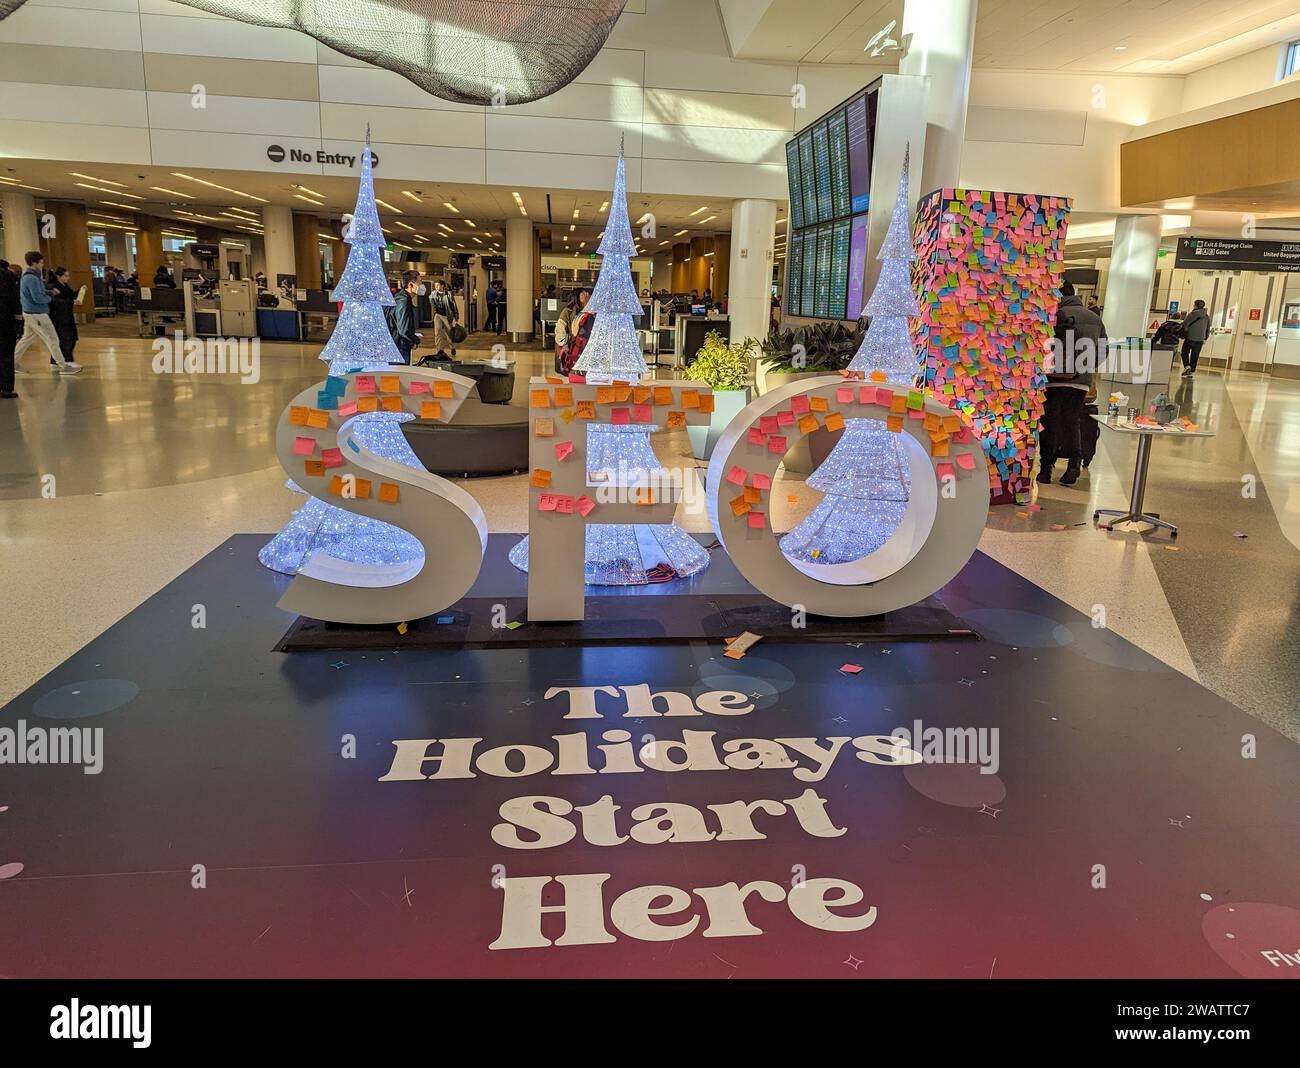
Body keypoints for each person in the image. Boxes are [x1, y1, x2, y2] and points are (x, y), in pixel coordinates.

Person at [1039, 280, 1103, 487]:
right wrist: (1086, 366)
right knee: (1072, 421)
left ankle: (1046, 469)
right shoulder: (1094, 318)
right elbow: (1103, 350)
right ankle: (1074, 463)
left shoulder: (1051, 315)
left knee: (1049, 423)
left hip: (1052, 379)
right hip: (1080, 381)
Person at [14, 251, 80, 374]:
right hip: (37, 313)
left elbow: (39, 291)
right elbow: (37, 298)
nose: (43, 264)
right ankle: (63, 366)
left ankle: (12, 363)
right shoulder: (32, 278)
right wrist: (50, 298)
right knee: (52, 339)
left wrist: (49, 292)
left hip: (30, 312)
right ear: (34, 262)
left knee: (26, 339)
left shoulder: (30, 276)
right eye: (41, 262)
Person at [47, 267, 80, 367]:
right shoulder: (53, 287)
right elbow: (56, 302)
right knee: (65, 338)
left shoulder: (64, 285)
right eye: (65, 276)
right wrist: (71, 302)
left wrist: (80, 291)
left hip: (67, 315)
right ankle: (67, 360)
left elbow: (72, 295)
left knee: (68, 337)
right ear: (58, 276)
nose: (68, 278)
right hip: (58, 317)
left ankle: (56, 360)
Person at [386, 270, 421, 364]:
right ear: (411, 285)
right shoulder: (403, 302)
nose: (422, 285)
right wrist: (415, 340)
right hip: (399, 347)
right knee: (399, 376)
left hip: (397, 345)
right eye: (420, 282)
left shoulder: (400, 298)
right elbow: (404, 330)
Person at [553, 288, 591, 373]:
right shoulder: (568, 311)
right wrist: (565, 344)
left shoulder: (592, 311)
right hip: (574, 347)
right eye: (583, 293)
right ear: (577, 296)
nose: (587, 294)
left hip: (586, 347)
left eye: (587, 293)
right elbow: (560, 329)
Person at [428, 277, 458, 359]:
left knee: (449, 333)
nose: (436, 287)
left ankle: (452, 347)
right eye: (435, 286)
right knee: (437, 333)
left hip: (447, 315)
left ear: (442, 286)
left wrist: (456, 315)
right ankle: (439, 350)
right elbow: (432, 304)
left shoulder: (448, 294)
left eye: (438, 285)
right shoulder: (433, 294)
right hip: (438, 315)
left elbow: (453, 305)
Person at [0, 260, 18, 398]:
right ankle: (6, 388)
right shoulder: (8, 275)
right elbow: (15, 298)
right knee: (6, 354)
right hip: (5, 319)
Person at [1179, 299, 1210, 376]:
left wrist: (1185, 332)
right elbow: (1208, 328)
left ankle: (1187, 366)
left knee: (1184, 352)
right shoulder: (1206, 316)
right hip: (1200, 340)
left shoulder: (1192, 314)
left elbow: (1185, 325)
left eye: (1194, 304)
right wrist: (1205, 337)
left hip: (1190, 338)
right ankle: (1192, 371)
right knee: (1195, 355)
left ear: (1196, 305)